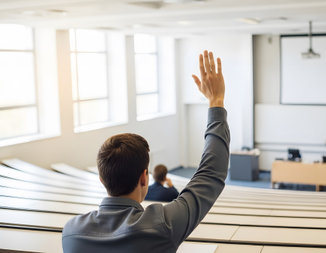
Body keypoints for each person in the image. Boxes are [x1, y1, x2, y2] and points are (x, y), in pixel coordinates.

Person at [62, 50, 229, 253]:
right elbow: (211, 174)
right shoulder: (161, 226)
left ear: (102, 178)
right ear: (144, 178)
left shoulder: (71, 232)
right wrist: (216, 100)